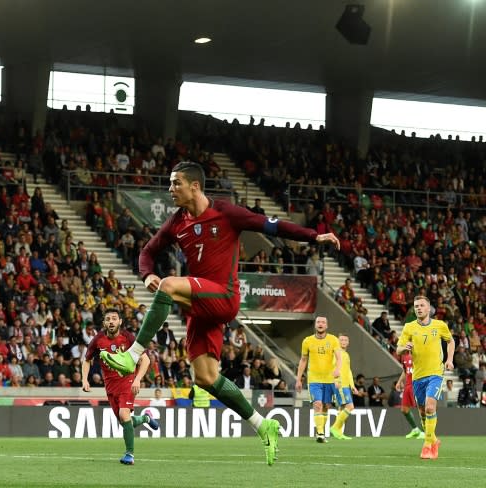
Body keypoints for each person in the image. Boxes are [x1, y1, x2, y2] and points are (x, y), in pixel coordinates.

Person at [101, 162, 340, 465]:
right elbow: (147, 251)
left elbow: (271, 224)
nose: (170, 189)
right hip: (200, 308)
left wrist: (312, 236)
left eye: (176, 184)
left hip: (224, 297)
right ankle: (262, 425)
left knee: (169, 285)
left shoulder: (227, 212)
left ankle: (132, 355)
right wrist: (146, 273)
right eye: (170, 184)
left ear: (194, 186)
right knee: (206, 377)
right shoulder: (177, 221)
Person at [83, 308, 159, 465]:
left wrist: (138, 379)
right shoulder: (98, 340)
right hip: (110, 386)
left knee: (124, 415)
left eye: (114, 318)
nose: (111, 321)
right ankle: (145, 418)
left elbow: (145, 360)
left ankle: (129, 455)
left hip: (128, 381)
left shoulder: (128, 338)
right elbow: (87, 360)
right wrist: (85, 379)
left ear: (120, 322)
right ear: (104, 323)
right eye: (108, 319)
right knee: (125, 421)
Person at [397, 295, 454, 460]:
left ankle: (428, 445)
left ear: (429, 308)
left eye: (422, 305)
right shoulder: (409, 327)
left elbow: (450, 342)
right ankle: (434, 439)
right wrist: (404, 347)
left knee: (430, 407)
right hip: (417, 376)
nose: (419, 308)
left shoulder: (440, 325)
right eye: (416, 306)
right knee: (422, 412)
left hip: (435, 373)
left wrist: (449, 360)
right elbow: (399, 349)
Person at [295, 316, 341, 443]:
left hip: (329, 379)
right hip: (314, 379)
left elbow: (339, 357)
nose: (320, 324)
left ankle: (321, 430)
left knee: (326, 406)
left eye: (323, 322)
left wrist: (338, 369)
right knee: (317, 404)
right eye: (318, 322)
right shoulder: (307, 341)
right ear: (315, 325)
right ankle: (320, 433)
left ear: (327, 326)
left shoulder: (333, 340)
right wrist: (298, 379)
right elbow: (303, 360)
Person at [330, 334, 356, 440]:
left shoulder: (346, 354)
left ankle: (339, 433)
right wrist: (336, 380)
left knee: (341, 408)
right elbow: (333, 367)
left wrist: (352, 385)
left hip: (346, 384)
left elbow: (348, 371)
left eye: (346, 339)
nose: (343, 341)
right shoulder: (336, 353)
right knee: (350, 407)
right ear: (338, 341)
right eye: (341, 340)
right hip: (340, 384)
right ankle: (335, 428)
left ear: (348, 342)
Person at [394, 351, 425, 439]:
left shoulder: (420, 355)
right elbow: (405, 371)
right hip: (408, 386)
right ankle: (416, 430)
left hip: (418, 384)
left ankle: (427, 432)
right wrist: (399, 381)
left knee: (422, 410)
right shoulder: (405, 356)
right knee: (404, 409)